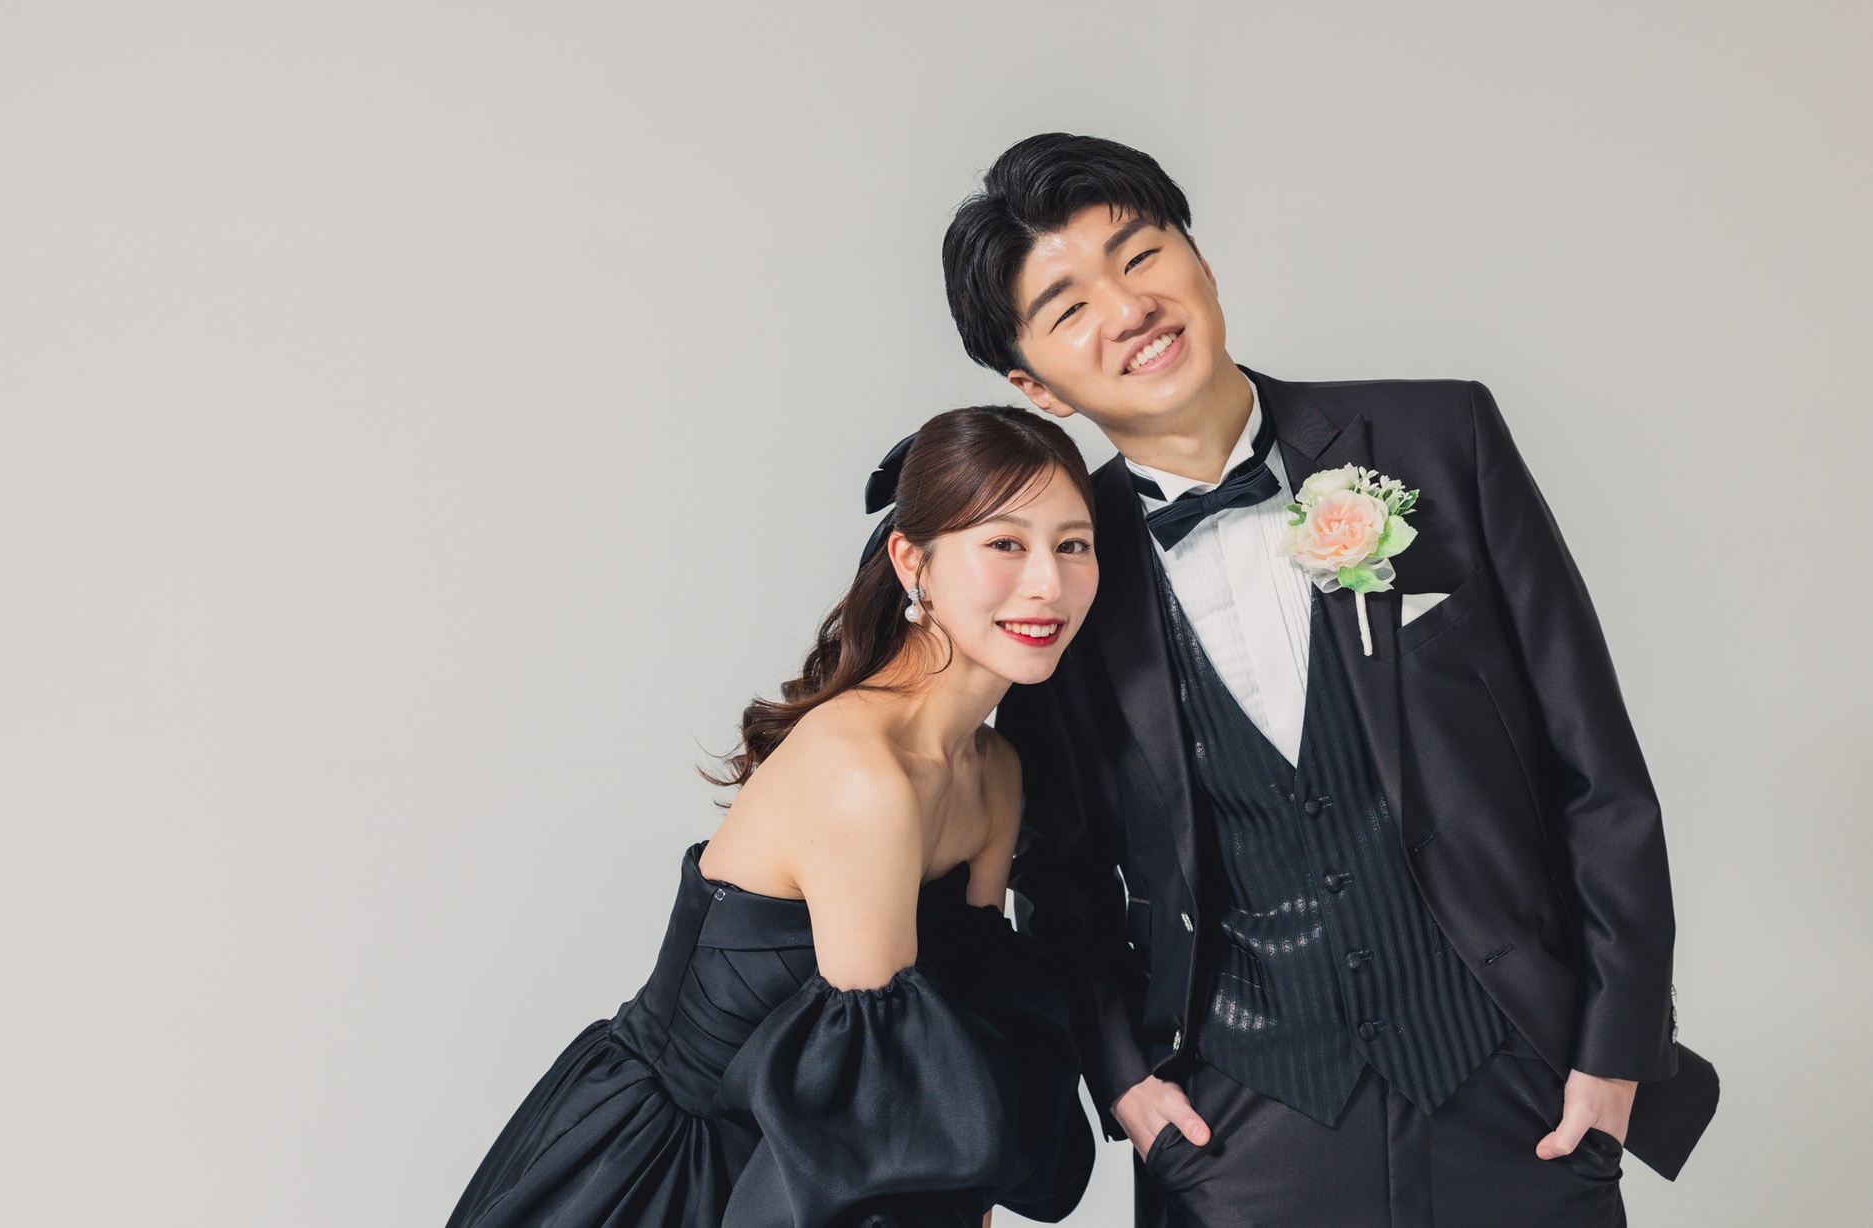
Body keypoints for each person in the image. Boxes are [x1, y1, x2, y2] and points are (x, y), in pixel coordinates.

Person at [942, 134, 1718, 1227]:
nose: (1128, 309)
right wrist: (1126, 1081)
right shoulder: (1062, 567)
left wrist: (1614, 1051)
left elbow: (1596, 769)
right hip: (1238, 1131)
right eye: (1069, 308)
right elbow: (1061, 875)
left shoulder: (1440, 438)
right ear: (1036, 387)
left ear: (1199, 260)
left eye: (1142, 255)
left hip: (1520, 1088)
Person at [445, 405, 1100, 1228]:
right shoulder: (863, 777)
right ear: (913, 562)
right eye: (1005, 543)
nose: (1047, 583)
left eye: (1073, 545)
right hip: (668, 1176)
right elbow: (877, 1111)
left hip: (811, 1172)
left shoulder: (994, 771)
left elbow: (960, 1053)